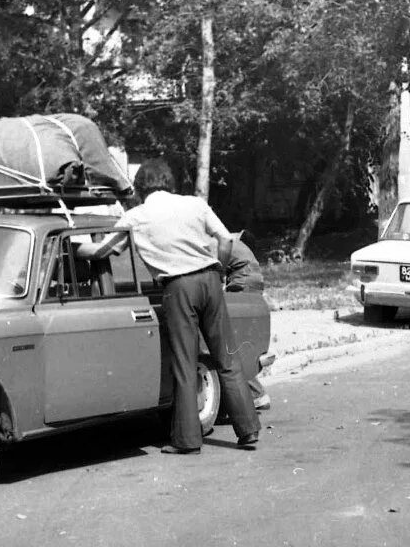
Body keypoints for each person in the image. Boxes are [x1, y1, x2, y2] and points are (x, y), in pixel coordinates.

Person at [75, 158, 260, 455]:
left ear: (140, 187)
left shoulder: (135, 217)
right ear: (170, 182)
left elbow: (101, 251)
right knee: (226, 357)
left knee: (185, 365)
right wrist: (221, 272)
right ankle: (248, 431)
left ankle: (187, 441)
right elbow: (225, 239)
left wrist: (74, 247)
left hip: (178, 287)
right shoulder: (195, 205)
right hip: (210, 280)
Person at [223, 230, 270, 410]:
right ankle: (254, 394)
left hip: (242, 280)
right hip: (252, 278)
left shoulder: (210, 241)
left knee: (232, 343)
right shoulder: (228, 238)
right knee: (240, 342)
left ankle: (257, 394)